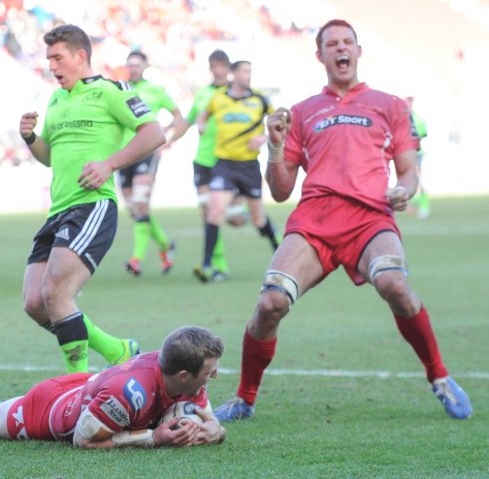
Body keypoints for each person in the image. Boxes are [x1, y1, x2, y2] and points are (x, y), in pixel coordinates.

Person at [213, 19, 472, 422]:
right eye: (331, 43)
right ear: (321, 56)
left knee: (396, 285)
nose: (340, 48)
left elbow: (408, 171)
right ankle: (244, 399)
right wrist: (276, 148)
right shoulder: (302, 112)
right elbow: (281, 191)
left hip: (369, 219)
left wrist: (404, 189)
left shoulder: (390, 106)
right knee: (269, 303)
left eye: (347, 41)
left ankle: (439, 376)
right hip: (315, 221)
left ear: (358, 51)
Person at [18, 25, 166, 373]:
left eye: (58, 57)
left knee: (56, 293)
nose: (52, 66)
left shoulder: (112, 91)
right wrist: (30, 138)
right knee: (36, 302)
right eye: (48, 59)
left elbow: (154, 133)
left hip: (93, 205)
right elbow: (50, 157)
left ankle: (78, 385)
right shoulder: (56, 100)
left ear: (80, 56)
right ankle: (117, 349)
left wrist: (108, 164)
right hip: (59, 210)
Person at [0, 326, 227, 448]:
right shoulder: (129, 394)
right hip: (49, 409)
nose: (213, 377)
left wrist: (212, 432)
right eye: (209, 372)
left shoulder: (183, 378)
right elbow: (84, 441)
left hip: (89, 389)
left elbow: (211, 421)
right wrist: (154, 437)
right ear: (184, 374)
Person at [193, 60, 280, 283]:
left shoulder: (259, 99)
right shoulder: (219, 97)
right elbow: (203, 115)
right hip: (224, 164)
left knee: (258, 219)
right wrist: (201, 125)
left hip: (249, 166)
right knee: (214, 211)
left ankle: (278, 249)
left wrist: (265, 137)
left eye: (250, 71)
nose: (248, 75)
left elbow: (281, 123)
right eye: (244, 71)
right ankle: (206, 265)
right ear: (233, 74)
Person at [119, 50, 186, 277]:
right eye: (130, 64)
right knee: (135, 209)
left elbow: (178, 117)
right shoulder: (119, 89)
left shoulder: (156, 91)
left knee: (139, 203)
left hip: (146, 152)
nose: (134, 68)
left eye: (137, 64)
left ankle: (136, 259)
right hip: (123, 154)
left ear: (145, 66)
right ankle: (166, 244)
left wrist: (168, 138)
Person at [182, 49, 237, 281]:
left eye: (222, 65)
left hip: (225, 160)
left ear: (228, 68)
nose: (218, 70)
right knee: (207, 212)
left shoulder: (236, 94)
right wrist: (165, 139)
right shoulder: (203, 93)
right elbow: (189, 120)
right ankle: (215, 264)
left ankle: (218, 264)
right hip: (203, 159)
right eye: (214, 66)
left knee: (222, 214)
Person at [404, 96, 430, 219]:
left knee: (420, 181)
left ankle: (424, 207)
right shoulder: (399, 118)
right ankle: (408, 206)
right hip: (402, 156)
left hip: (417, 155)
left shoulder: (418, 120)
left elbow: (423, 139)